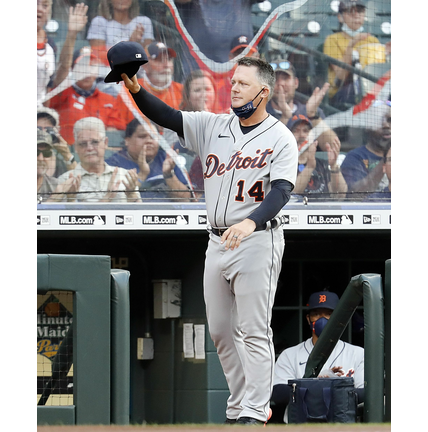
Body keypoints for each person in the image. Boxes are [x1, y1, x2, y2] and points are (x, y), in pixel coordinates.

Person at [119, 55, 298, 425]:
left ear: (263, 92)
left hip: (257, 239)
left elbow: (281, 191)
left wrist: (251, 222)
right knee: (219, 330)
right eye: (233, 81)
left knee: (253, 329)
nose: (233, 87)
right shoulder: (213, 126)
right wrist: (136, 90)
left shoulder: (281, 136)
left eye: (243, 83)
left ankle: (253, 410)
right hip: (216, 240)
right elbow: (167, 116)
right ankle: (239, 404)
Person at [271, 291, 365, 423]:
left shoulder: (357, 353)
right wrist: (332, 386)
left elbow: (365, 394)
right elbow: (278, 394)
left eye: (329, 314)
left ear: (339, 318)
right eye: (316, 314)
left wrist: (307, 388)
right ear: (308, 319)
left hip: (342, 427)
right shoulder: (290, 354)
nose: (323, 319)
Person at [44, 48, 124, 142]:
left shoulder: (109, 100)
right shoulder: (62, 94)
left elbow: (115, 132)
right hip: (65, 151)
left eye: (92, 65)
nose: (87, 71)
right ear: (73, 69)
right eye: (82, 66)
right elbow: (63, 68)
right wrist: (71, 36)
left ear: (98, 70)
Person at [55, 117, 142, 202]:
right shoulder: (65, 181)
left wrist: (131, 196)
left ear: (105, 143)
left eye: (95, 142)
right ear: (76, 147)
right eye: (83, 144)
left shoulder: (125, 176)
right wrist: (107, 198)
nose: (89, 148)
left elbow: (140, 214)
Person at [105, 118, 192, 201]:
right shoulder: (114, 163)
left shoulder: (167, 159)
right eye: (142, 136)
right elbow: (116, 199)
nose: (149, 141)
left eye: (153, 137)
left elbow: (186, 199)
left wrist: (168, 175)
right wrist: (142, 174)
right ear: (127, 141)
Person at [322, 0, 381, 109]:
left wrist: (386, 52)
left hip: (371, 91)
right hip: (342, 94)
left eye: (359, 10)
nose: (356, 14)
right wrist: (352, 44)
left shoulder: (373, 40)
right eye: (350, 11)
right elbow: (340, 76)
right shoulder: (332, 40)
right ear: (340, 17)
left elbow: (378, 72)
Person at [113, 41, 185, 129]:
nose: (166, 65)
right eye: (160, 60)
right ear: (145, 65)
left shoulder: (183, 91)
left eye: (169, 59)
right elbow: (117, 128)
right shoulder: (128, 90)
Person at [38, 1, 90, 105]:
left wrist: (72, 34)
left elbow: (54, 82)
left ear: (49, 11)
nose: (39, 9)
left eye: (45, 5)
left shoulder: (50, 45)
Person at [287, 114, 346, 200]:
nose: (302, 135)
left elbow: (340, 196)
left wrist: (333, 166)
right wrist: (309, 167)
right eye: (296, 130)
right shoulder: (284, 164)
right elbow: (290, 196)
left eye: (306, 131)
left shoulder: (323, 164)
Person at [340, 102, 390, 198]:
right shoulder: (355, 157)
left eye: (390, 120)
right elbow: (355, 196)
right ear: (368, 126)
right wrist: (386, 159)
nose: (386, 125)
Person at [87, 0, 154, 58]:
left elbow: (149, 56)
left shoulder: (144, 21)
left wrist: (139, 43)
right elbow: (98, 55)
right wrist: (131, 43)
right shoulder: (99, 22)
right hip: (108, 70)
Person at [37, 106, 78, 177]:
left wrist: (67, 154)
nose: (43, 132)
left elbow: (77, 179)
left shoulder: (60, 161)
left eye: (48, 129)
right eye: (38, 129)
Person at [37, 129, 61, 203]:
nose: (41, 158)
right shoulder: (58, 190)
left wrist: (71, 199)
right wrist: (53, 199)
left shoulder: (56, 185)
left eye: (46, 153)